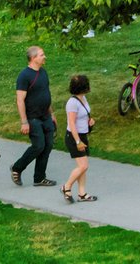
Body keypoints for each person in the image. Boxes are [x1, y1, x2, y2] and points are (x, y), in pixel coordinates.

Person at [10, 45, 56, 187]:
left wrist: (52, 113)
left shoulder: (43, 72)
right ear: (33, 58)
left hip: (45, 116)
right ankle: (17, 168)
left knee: (48, 146)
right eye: (42, 55)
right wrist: (24, 122)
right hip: (33, 118)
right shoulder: (24, 76)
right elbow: (20, 100)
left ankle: (39, 178)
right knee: (38, 146)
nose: (44, 57)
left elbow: (45, 93)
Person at [62, 74, 96, 204]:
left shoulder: (83, 98)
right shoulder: (72, 103)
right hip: (74, 137)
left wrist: (89, 121)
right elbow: (71, 123)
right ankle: (67, 186)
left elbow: (82, 116)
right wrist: (78, 141)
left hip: (82, 135)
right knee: (83, 166)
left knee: (82, 167)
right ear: (84, 87)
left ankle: (82, 193)